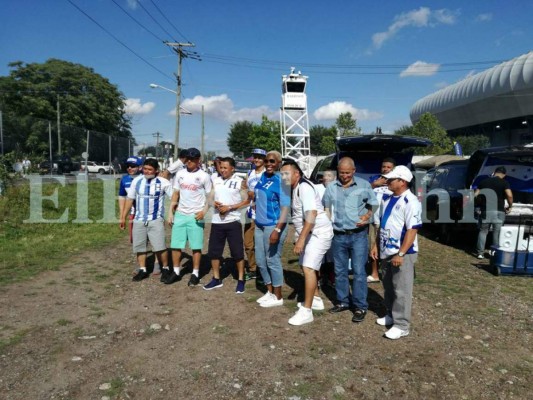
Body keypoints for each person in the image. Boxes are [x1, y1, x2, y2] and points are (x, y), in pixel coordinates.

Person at [322, 157, 377, 323]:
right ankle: (342, 301)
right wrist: (327, 221)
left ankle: (360, 305)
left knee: (359, 272)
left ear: (353, 171)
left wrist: (367, 216)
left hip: (358, 234)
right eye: (341, 172)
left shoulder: (363, 185)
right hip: (339, 235)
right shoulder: (331, 188)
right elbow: (326, 207)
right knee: (340, 271)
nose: (344, 176)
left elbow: (373, 205)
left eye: (347, 173)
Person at [370, 165, 422, 340]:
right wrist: (377, 245)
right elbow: (383, 224)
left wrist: (401, 254)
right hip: (386, 249)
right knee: (389, 286)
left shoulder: (411, 202)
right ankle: (391, 314)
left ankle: (402, 324)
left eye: (392, 179)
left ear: (402, 182)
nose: (388, 181)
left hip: (402, 252)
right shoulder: (388, 198)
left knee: (402, 289)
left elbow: (412, 230)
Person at [281, 160, 333, 325]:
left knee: (308, 267)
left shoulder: (304, 187)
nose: (284, 177)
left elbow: (311, 214)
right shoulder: (294, 188)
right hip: (309, 233)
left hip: (318, 233)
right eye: (282, 174)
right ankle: (316, 298)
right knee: (308, 266)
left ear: (297, 173)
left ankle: (307, 311)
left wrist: (301, 240)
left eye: (287, 173)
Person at [119, 158, 173, 281]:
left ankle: (165, 268)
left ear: (156, 170)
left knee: (159, 246)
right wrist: (123, 217)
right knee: (139, 246)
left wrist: (172, 214)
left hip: (156, 219)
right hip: (139, 219)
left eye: (150, 169)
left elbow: (173, 198)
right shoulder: (136, 181)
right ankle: (142, 269)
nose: (147, 172)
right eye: (145, 169)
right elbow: (129, 199)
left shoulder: (164, 182)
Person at [166, 148, 212, 286]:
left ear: (198, 160)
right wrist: (170, 211)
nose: (189, 162)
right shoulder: (180, 174)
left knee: (196, 246)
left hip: (195, 216)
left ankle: (195, 273)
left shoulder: (204, 176)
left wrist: (203, 212)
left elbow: (210, 197)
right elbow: (175, 193)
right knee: (176, 245)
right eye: (187, 159)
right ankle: (176, 271)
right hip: (180, 214)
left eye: (192, 160)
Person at [203, 157, 250, 293]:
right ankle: (216, 278)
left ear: (232, 169)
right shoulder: (215, 181)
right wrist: (214, 203)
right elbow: (210, 198)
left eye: (225, 168)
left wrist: (230, 207)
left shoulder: (239, 182)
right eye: (221, 167)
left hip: (233, 221)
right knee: (214, 252)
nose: (222, 170)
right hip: (217, 221)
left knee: (237, 252)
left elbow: (246, 201)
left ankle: (241, 279)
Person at [254, 150, 290, 308]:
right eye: (267, 161)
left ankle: (278, 296)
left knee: (272, 260)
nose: (269, 164)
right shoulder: (263, 177)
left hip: (273, 225)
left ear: (279, 163)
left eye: (272, 161)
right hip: (259, 224)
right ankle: (269, 292)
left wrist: (277, 230)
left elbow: (285, 208)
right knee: (261, 261)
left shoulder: (281, 181)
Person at [474, 166, 513, 259]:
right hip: (499, 210)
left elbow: (475, 195)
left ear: (494, 172)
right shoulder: (505, 182)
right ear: (504, 175)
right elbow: (509, 195)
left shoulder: (483, 182)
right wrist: (510, 206)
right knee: (497, 232)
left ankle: (480, 253)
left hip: (486, 210)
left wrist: (479, 204)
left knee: (483, 231)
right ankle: (494, 253)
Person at [367, 158, 396, 283]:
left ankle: (387, 272)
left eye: (389, 167)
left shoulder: (396, 182)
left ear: (393, 169)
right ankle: (374, 273)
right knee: (373, 245)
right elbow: (362, 191)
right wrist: (374, 184)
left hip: (389, 221)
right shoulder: (375, 179)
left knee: (387, 246)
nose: (385, 169)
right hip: (374, 219)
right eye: (384, 166)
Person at [243, 148, 267, 280]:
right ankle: (252, 269)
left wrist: (256, 194)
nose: (257, 160)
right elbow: (243, 189)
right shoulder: (249, 173)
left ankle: (263, 269)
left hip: (264, 214)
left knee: (262, 244)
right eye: (255, 157)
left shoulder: (268, 173)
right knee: (248, 244)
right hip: (250, 213)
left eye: (260, 157)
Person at [118, 156, 142, 244]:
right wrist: (122, 216)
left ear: (140, 167)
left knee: (153, 240)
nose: (129, 168)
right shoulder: (124, 179)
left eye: (132, 166)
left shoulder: (145, 178)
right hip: (133, 213)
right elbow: (122, 197)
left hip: (147, 213)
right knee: (135, 241)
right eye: (128, 166)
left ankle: (157, 258)